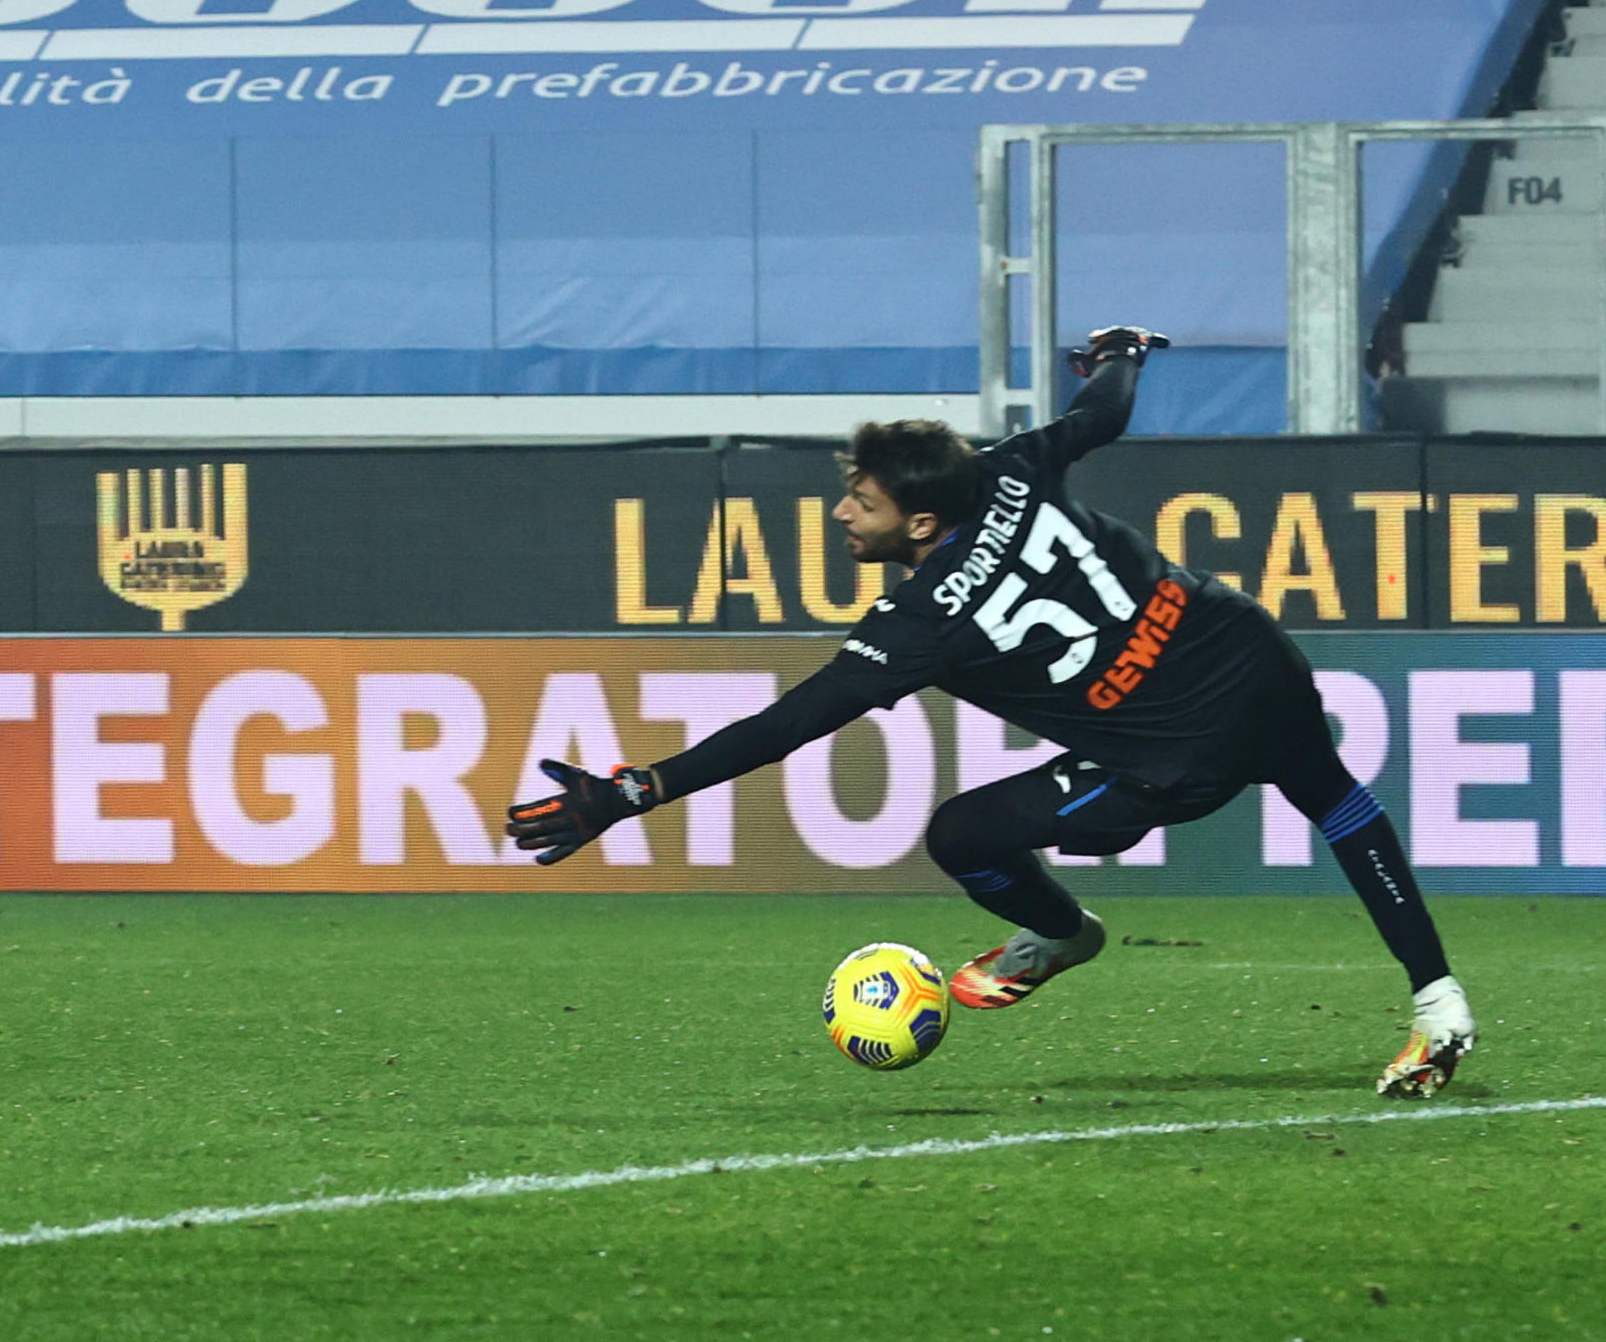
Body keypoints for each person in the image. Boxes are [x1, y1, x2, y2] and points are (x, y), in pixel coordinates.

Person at [505, 327, 1475, 1098]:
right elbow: (1101, 414)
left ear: (919, 522)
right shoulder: (1010, 470)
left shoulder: (919, 620)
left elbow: (789, 723)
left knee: (965, 834)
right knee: (1339, 804)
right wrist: (1121, 354)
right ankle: (1440, 1001)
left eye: (862, 501)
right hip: (1251, 653)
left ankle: (1061, 933)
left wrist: (636, 790)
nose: (845, 513)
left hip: (1172, 759)